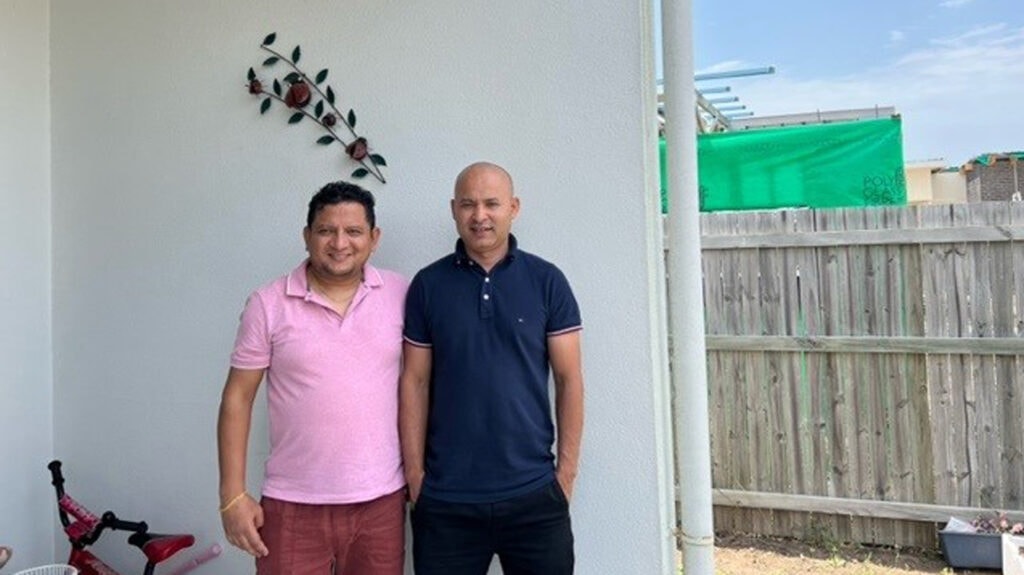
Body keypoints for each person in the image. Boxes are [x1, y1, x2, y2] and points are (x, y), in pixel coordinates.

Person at [400, 161, 585, 574]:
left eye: (491, 203)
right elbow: (414, 381)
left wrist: (565, 476)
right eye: (467, 204)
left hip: (535, 494)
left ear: (514, 208)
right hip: (446, 501)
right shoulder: (428, 286)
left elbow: (569, 380)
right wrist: (415, 476)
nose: (479, 215)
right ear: (453, 209)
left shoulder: (547, 281)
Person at [217, 181, 407, 575]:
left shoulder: (402, 294)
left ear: (374, 238)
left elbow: (424, 384)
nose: (340, 242)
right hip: (292, 505)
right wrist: (232, 495)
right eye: (326, 231)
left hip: (381, 503)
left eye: (353, 231)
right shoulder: (268, 304)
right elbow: (238, 398)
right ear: (307, 236)